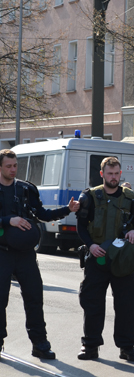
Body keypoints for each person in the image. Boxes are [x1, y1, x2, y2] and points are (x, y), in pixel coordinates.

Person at [0, 149, 80, 360]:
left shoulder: (26, 189)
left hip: (26, 255)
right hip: (2, 254)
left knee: (35, 298)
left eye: (15, 165)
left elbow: (42, 214)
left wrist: (67, 210)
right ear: (0, 167)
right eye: (8, 166)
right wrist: (8, 220)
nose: (12, 169)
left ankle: (40, 344)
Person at [76, 157, 134, 362]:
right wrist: (91, 245)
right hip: (96, 258)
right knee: (92, 304)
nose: (114, 178)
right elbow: (81, 226)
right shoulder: (89, 197)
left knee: (126, 305)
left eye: (117, 174)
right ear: (102, 174)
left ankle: (127, 347)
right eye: (110, 174)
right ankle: (90, 345)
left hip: (122, 260)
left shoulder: (133, 198)